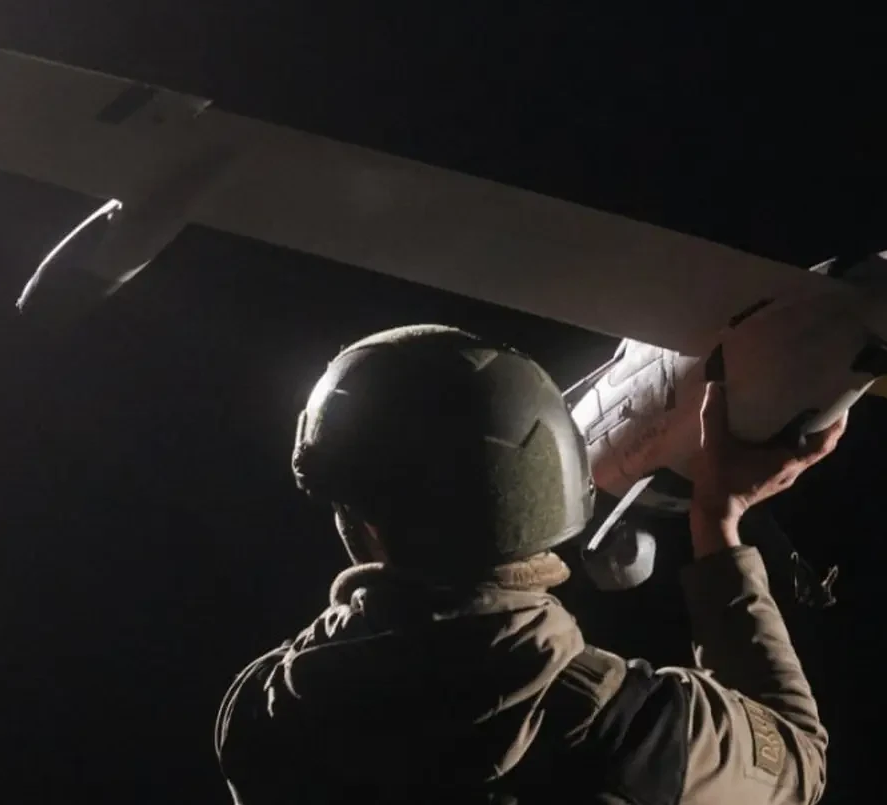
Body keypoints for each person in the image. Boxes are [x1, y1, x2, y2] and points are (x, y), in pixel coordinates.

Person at [214, 324, 846, 805]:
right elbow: (796, 760)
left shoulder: (262, 715)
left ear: (359, 521)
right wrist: (717, 521)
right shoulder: (640, 732)